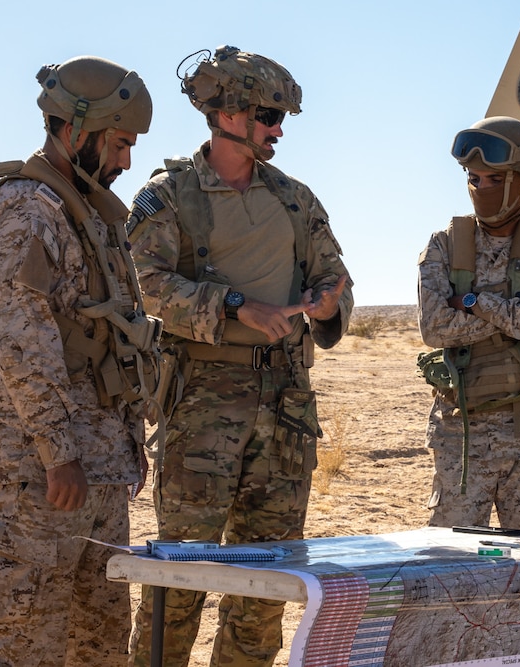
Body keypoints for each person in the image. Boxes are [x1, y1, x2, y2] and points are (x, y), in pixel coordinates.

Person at [126, 45, 352, 667]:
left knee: (268, 582)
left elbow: (336, 278)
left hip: (285, 408)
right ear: (227, 112)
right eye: (269, 116)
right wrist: (232, 307)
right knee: (181, 575)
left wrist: (329, 305)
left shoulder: (295, 199)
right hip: (201, 404)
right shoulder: (170, 195)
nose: (279, 130)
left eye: (281, 119)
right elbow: (143, 282)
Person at [0, 56, 155, 666]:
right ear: (76, 128)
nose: (125, 161)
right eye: (120, 144)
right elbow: (21, 337)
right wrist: (58, 451)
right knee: (20, 642)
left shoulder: (86, 211)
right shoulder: (27, 207)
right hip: (39, 475)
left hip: (96, 468)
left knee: (96, 646)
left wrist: (125, 440)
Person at [417, 116, 520, 536]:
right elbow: (436, 328)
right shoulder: (444, 244)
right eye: (474, 178)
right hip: (462, 437)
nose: (481, 189)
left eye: (493, 179)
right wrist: (518, 316)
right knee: (449, 566)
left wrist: (475, 303)